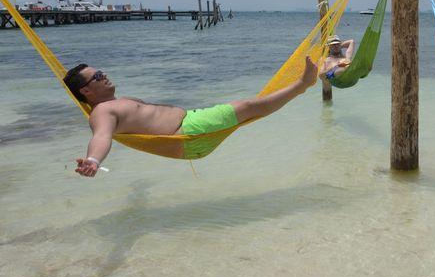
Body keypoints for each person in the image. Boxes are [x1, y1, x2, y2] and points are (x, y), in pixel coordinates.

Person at [63, 57, 318, 177]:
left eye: (101, 71)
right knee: (250, 106)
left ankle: (301, 84)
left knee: (252, 109)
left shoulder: (113, 104)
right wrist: (93, 160)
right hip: (191, 132)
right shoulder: (102, 111)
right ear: (86, 91)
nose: (104, 76)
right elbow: (101, 136)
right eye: (97, 77)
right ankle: (302, 84)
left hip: (192, 136)